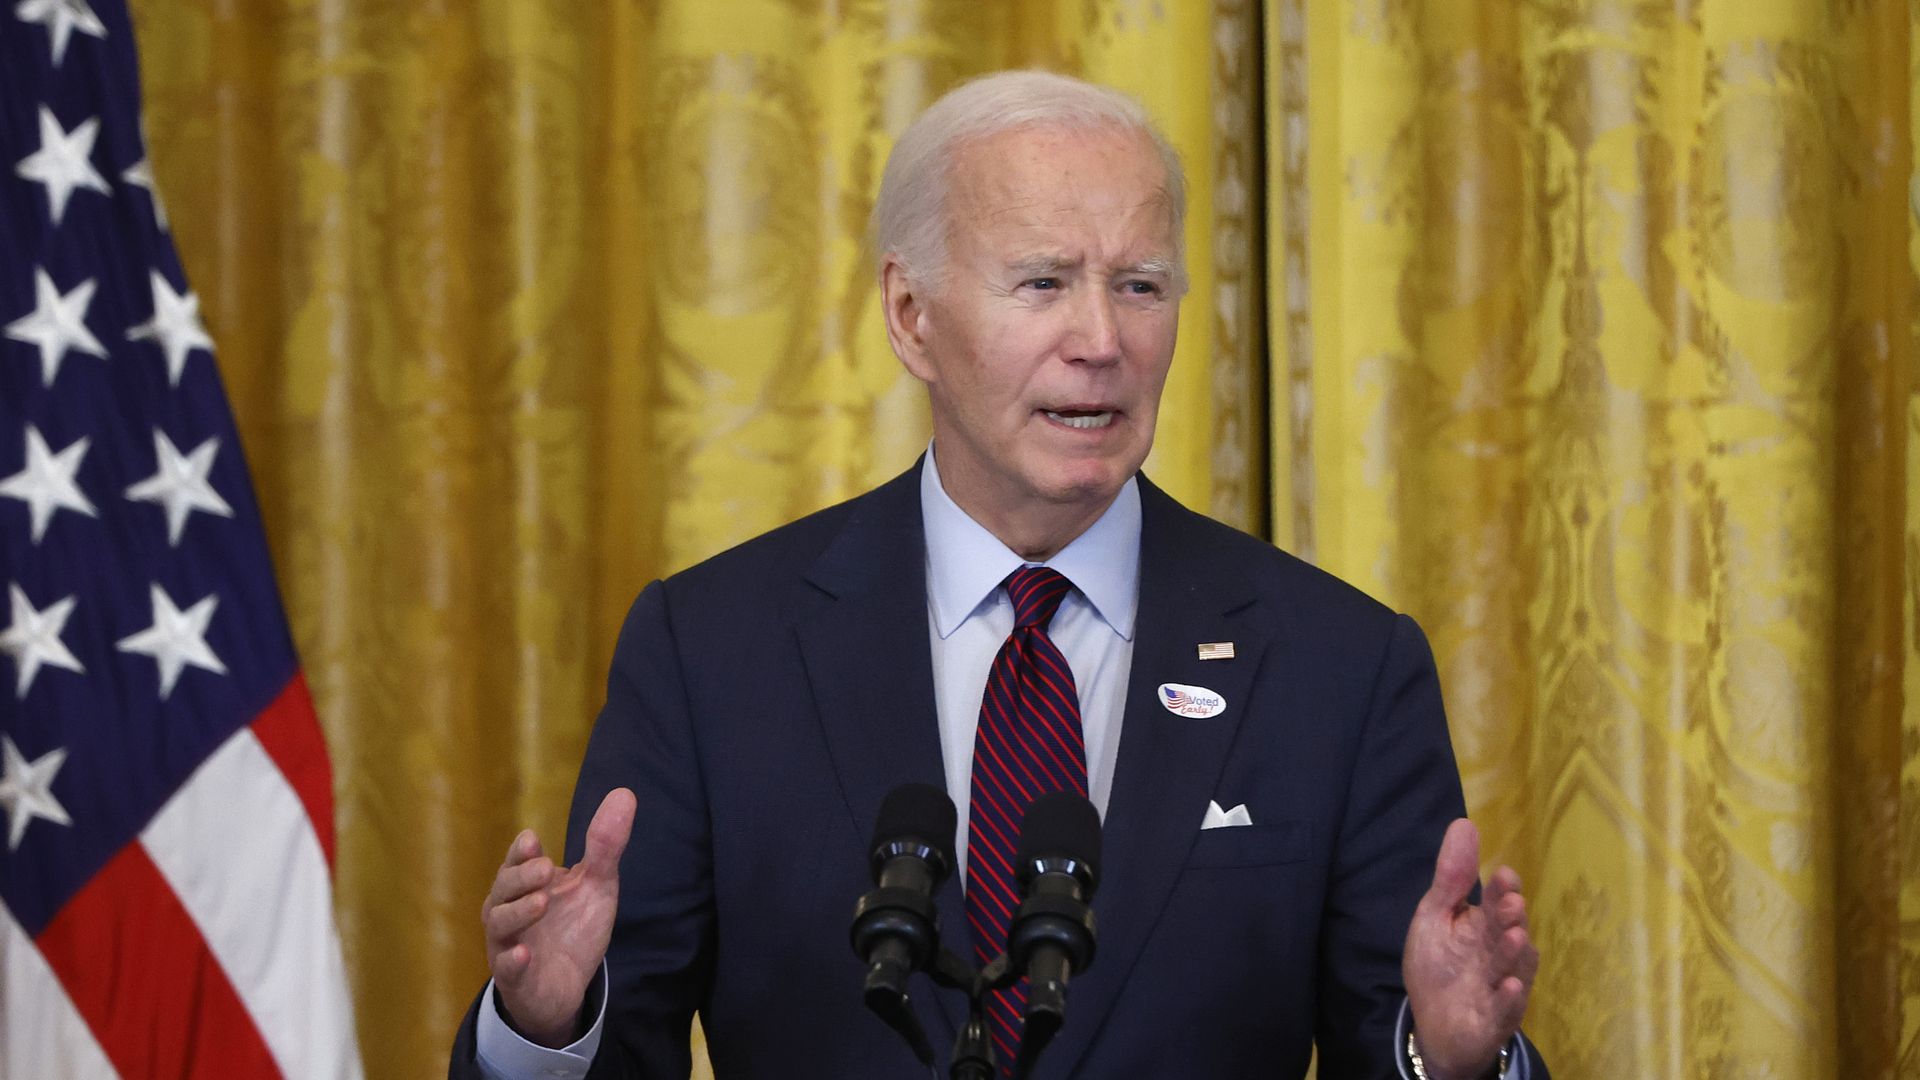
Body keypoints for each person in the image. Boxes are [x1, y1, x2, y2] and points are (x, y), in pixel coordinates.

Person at [449, 70, 1545, 1079]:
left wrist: (1448, 1061)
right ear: (911, 315)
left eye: (1141, 284)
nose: (1101, 338)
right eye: (1042, 282)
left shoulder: (1338, 668)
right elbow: (619, 1041)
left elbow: (1395, 1032)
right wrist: (546, 1030)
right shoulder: (714, 651)